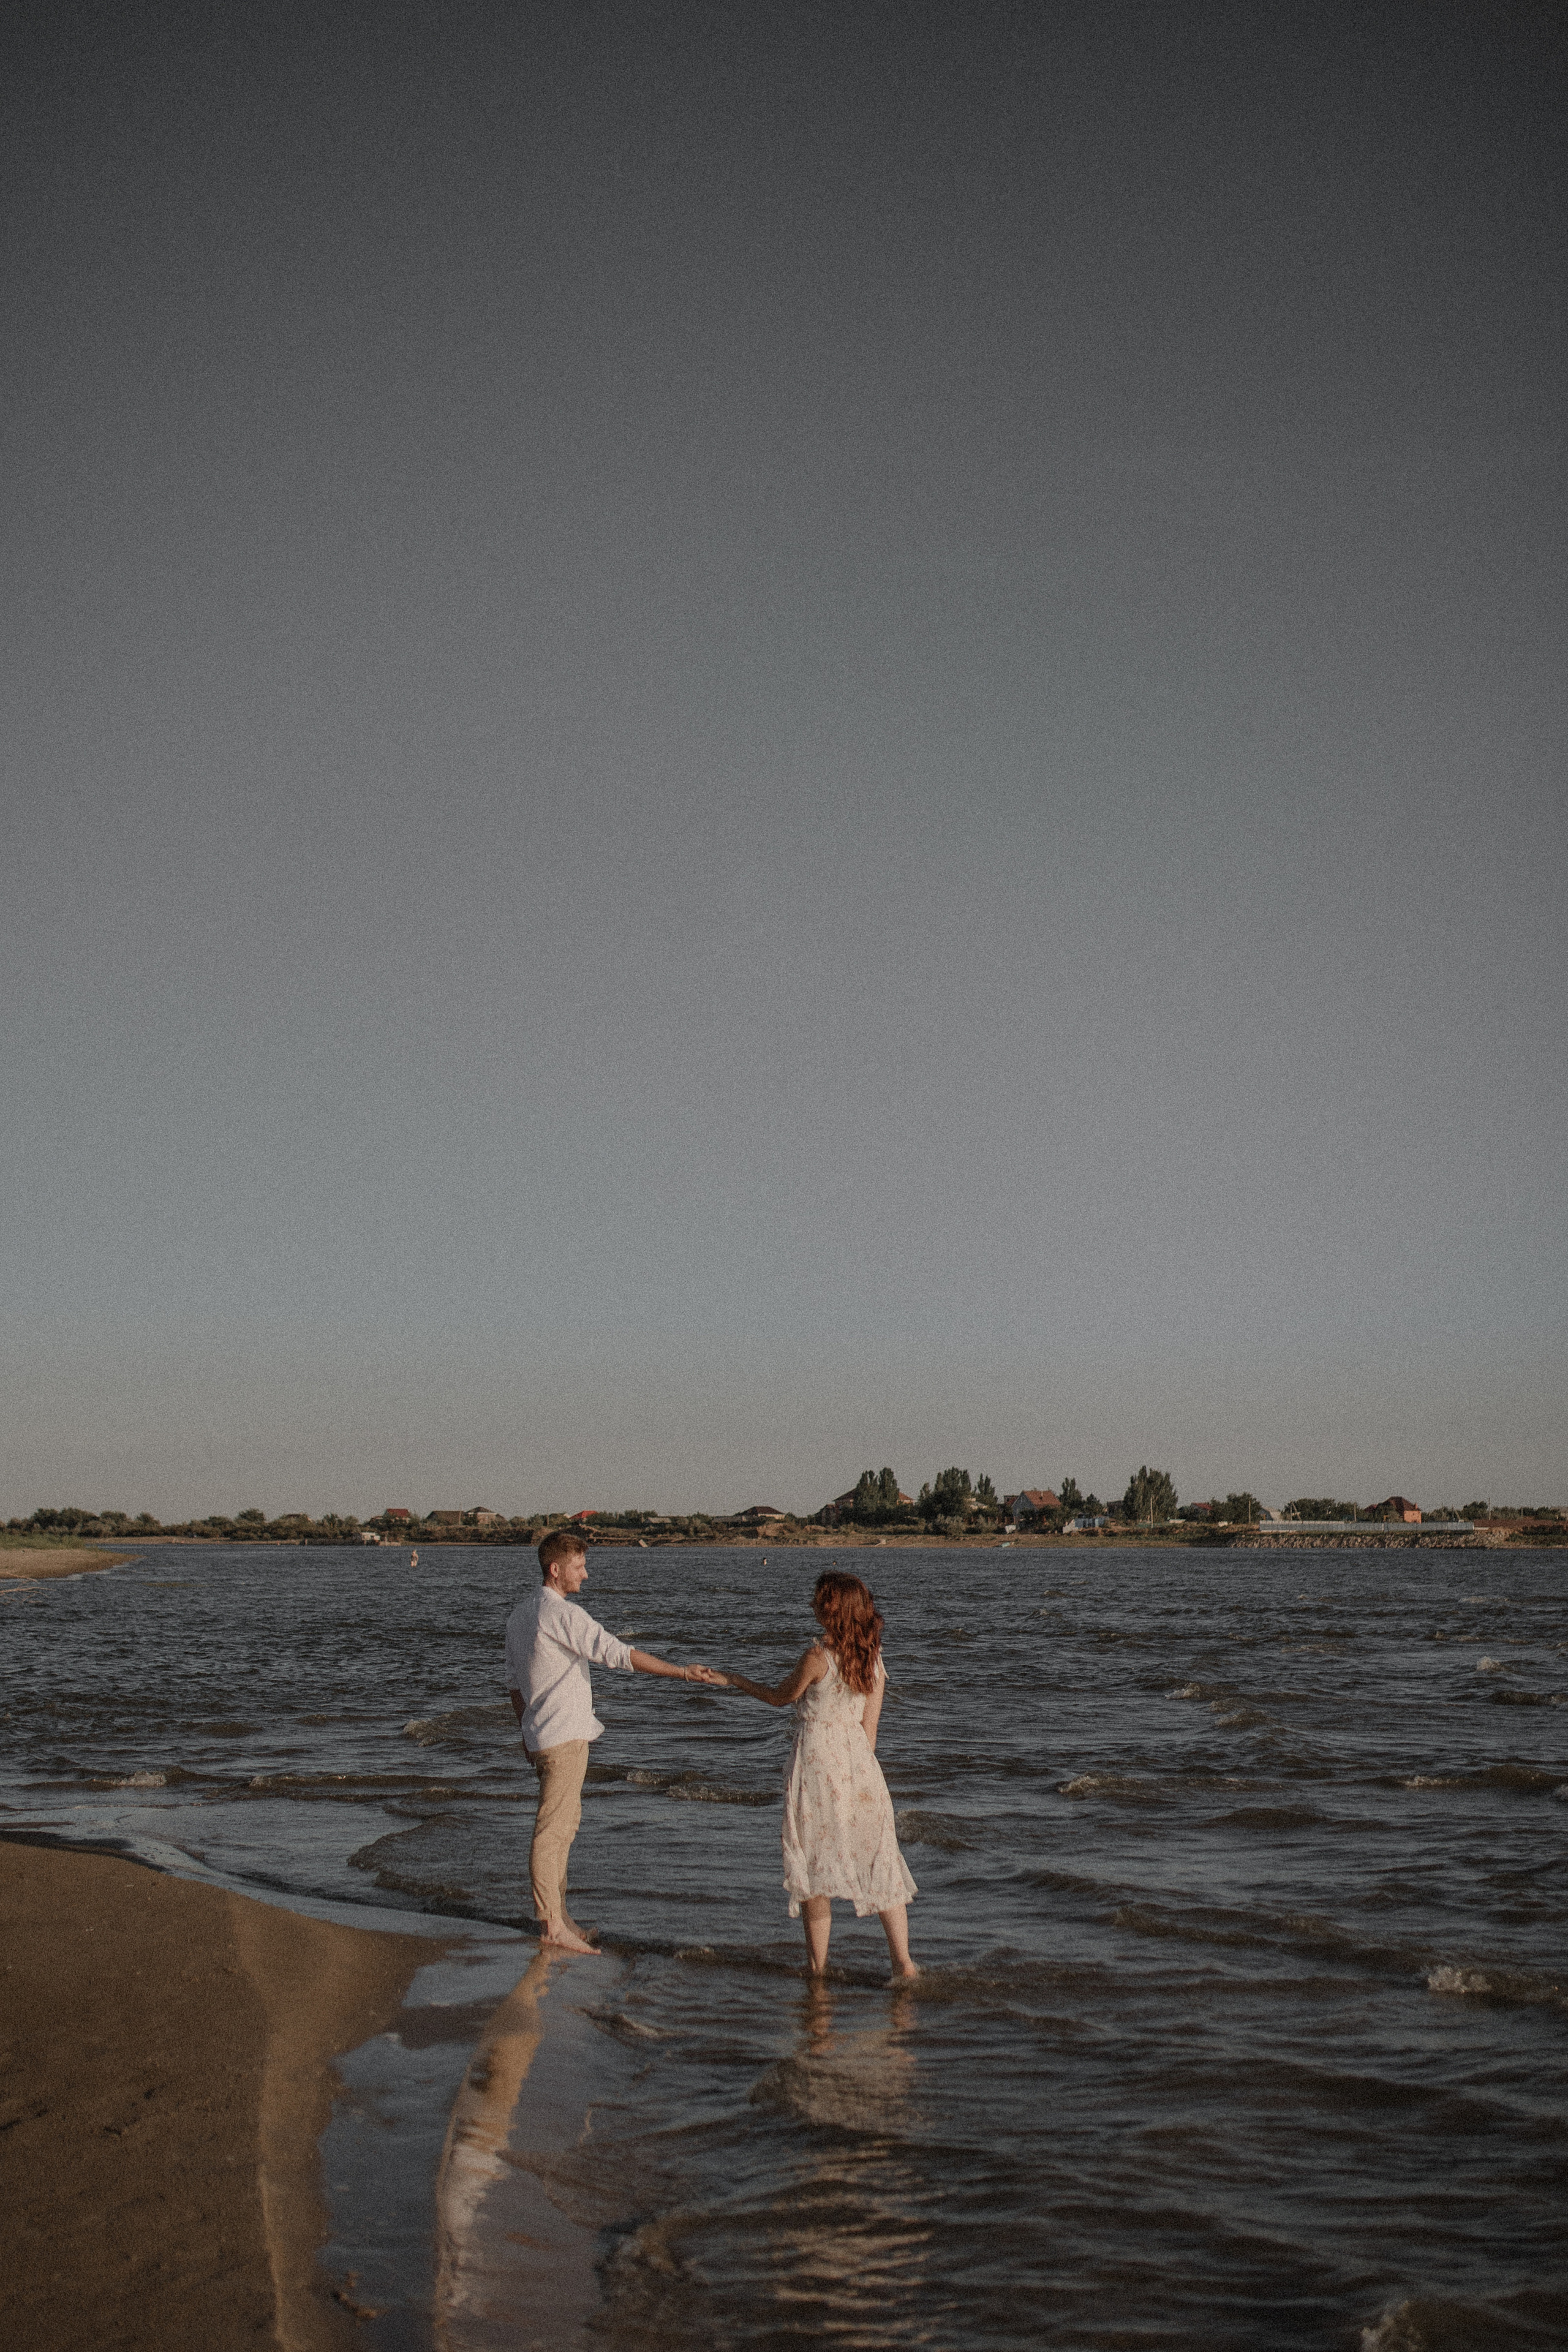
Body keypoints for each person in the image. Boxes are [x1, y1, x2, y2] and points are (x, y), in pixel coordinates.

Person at [505, 1529, 720, 1954]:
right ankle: (551, 1927)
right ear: (556, 1570)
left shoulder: (520, 1615)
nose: (586, 1574)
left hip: (544, 1736)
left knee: (562, 1828)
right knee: (554, 1831)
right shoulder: (565, 1615)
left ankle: (561, 1918)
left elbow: (514, 1686)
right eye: (579, 1566)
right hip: (562, 1737)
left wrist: (526, 1734)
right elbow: (619, 1655)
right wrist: (681, 1672)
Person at [715, 1570, 918, 1980]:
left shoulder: (816, 1658)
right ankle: (903, 1964)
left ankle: (818, 1969)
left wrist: (733, 1679)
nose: (812, 1605)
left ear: (831, 1610)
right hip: (862, 1768)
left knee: (813, 1866)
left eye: (818, 1600)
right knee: (879, 1860)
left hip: (816, 1767)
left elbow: (777, 1698)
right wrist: (859, 1773)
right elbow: (870, 1731)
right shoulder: (872, 1659)